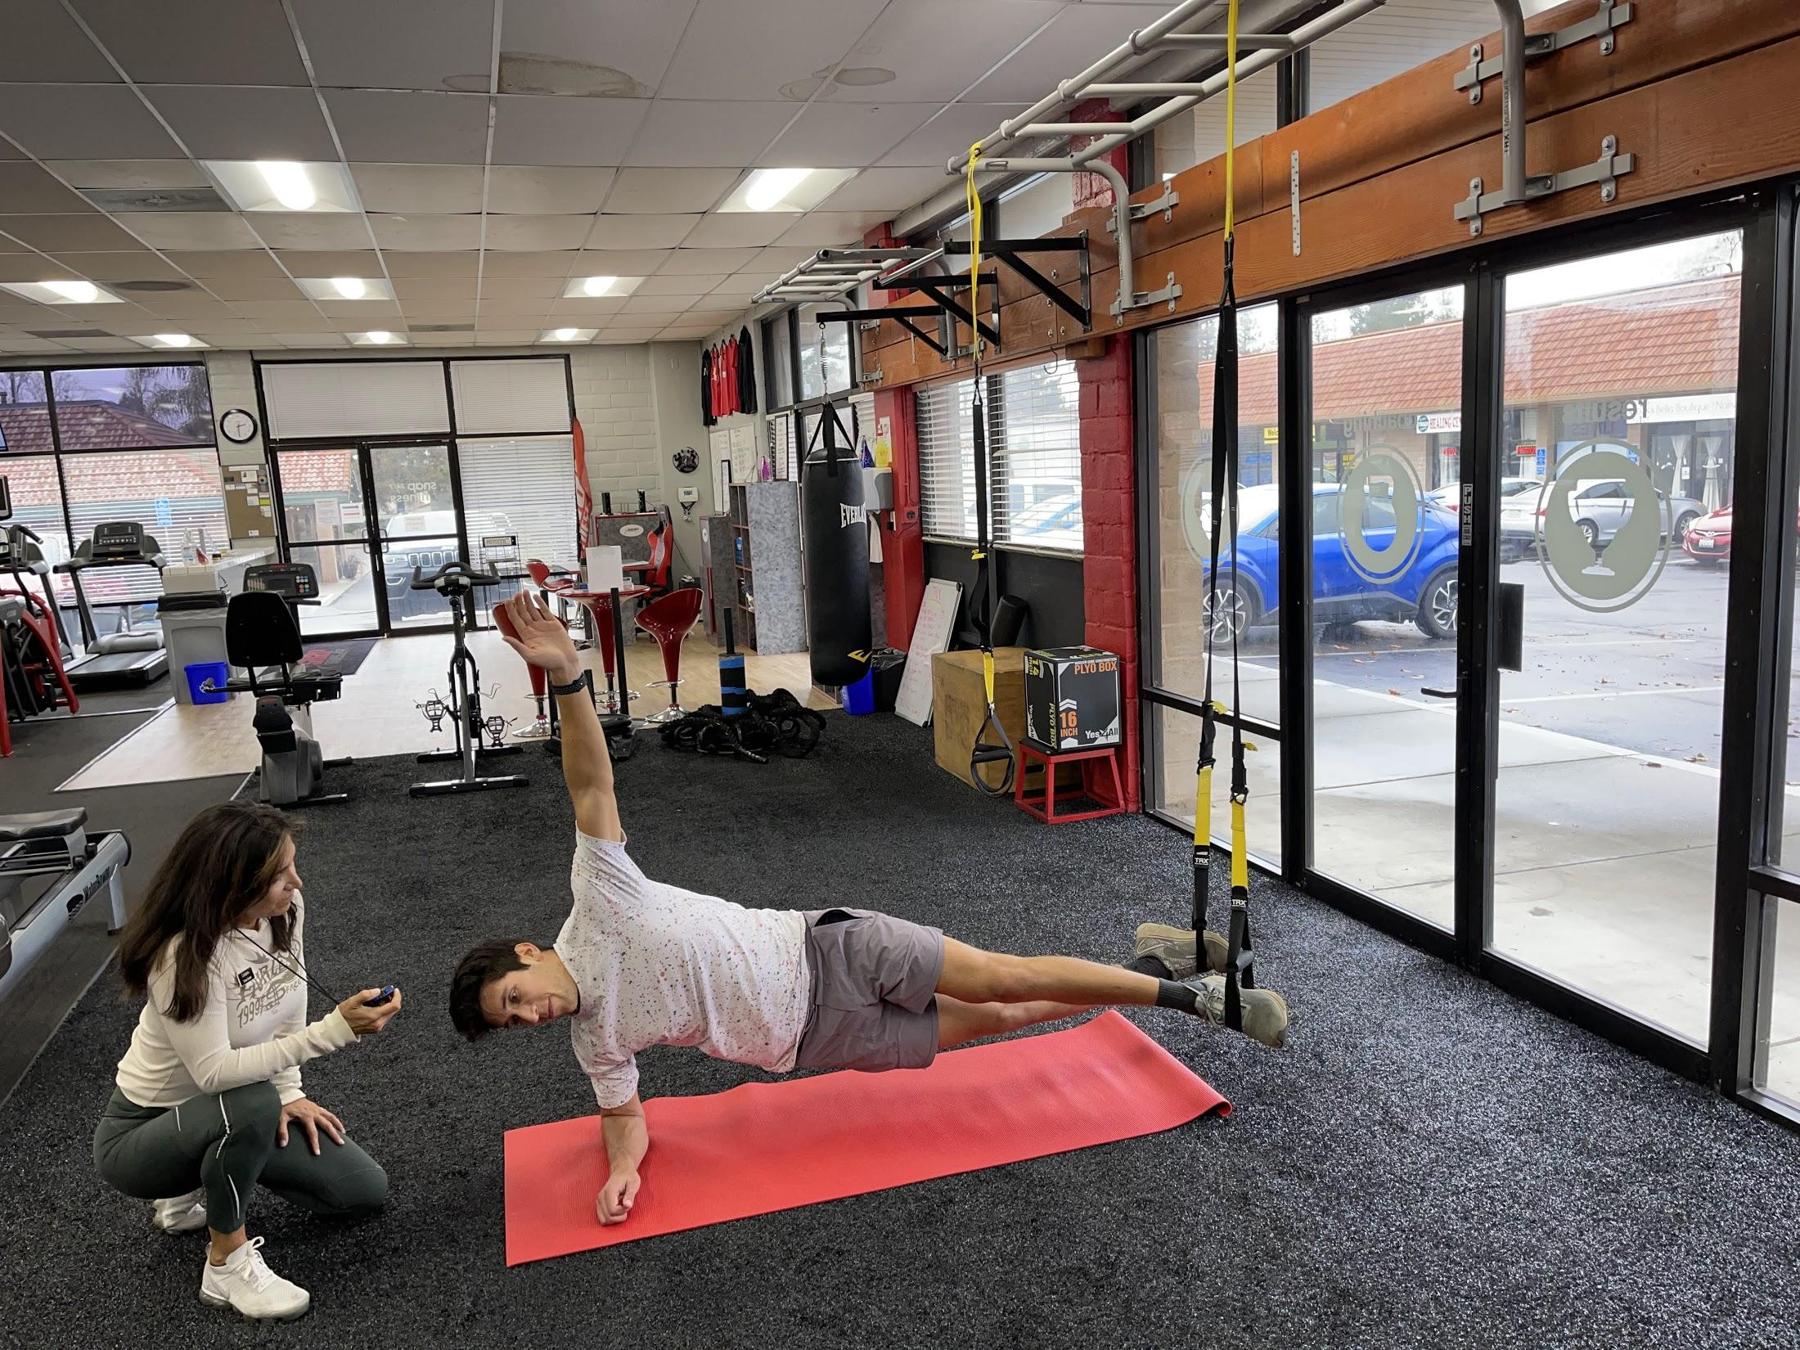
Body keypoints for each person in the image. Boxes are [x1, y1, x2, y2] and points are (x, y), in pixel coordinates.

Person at [450, 593, 1287, 1228]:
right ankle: (1159, 963)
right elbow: (623, 1117)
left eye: (515, 997)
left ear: (528, 954)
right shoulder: (593, 1039)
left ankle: (1200, 1001)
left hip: (829, 953)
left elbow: (591, 782)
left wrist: (568, 678)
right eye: (517, 1023)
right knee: (1011, 1019)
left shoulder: (597, 899)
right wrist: (621, 1169)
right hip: (820, 1040)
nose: (533, 1014)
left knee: (1003, 978)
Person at [94, 802, 403, 1322]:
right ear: (231, 884)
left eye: (293, 866)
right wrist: (333, 1033)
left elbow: (285, 1010)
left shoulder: (284, 913)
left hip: (231, 1107)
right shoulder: (183, 955)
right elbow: (212, 1073)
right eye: (279, 875)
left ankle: (199, 1181)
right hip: (140, 1138)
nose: (296, 882)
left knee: (361, 1191)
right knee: (251, 1100)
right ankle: (226, 1262)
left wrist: (292, 1094)